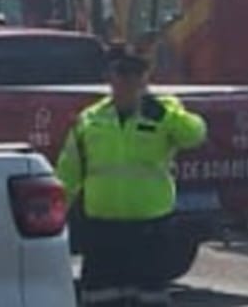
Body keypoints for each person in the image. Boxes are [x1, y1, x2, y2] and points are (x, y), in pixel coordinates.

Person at [56, 45, 207, 306]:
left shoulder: (165, 111)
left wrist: (165, 116)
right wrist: (56, 216)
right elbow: (69, 172)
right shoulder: (91, 119)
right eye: (123, 72)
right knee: (101, 298)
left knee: (150, 299)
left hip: (150, 228)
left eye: (138, 72)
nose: (130, 80)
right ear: (110, 76)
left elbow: (195, 135)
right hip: (103, 230)